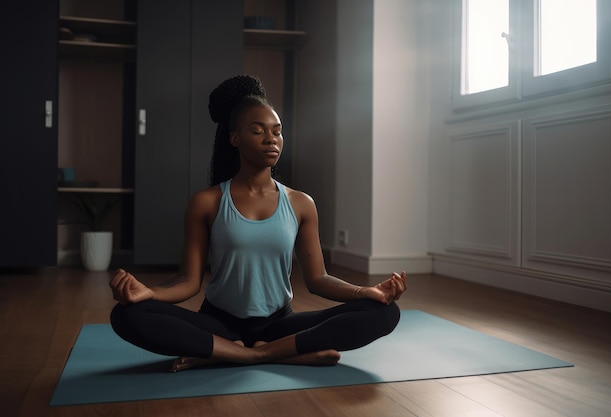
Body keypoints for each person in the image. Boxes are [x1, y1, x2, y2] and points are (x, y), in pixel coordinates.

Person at [109, 74, 407, 372]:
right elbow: (188, 281)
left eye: (277, 132)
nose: (271, 139)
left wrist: (365, 292)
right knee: (126, 315)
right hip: (218, 324)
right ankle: (269, 354)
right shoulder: (207, 202)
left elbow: (318, 280)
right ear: (234, 138)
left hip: (279, 324)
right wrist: (149, 293)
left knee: (384, 312)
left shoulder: (301, 203)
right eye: (258, 131)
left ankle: (242, 353)